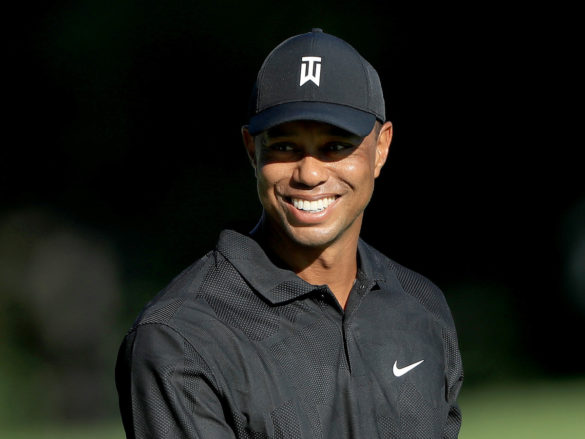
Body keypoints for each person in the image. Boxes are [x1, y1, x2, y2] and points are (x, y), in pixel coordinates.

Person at [115, 28, 463, 438]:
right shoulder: (180, 339)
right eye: (283, 146)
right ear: (251, 149)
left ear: (381, 148)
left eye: (335, 146)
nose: (310, 173)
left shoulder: (421, 308)